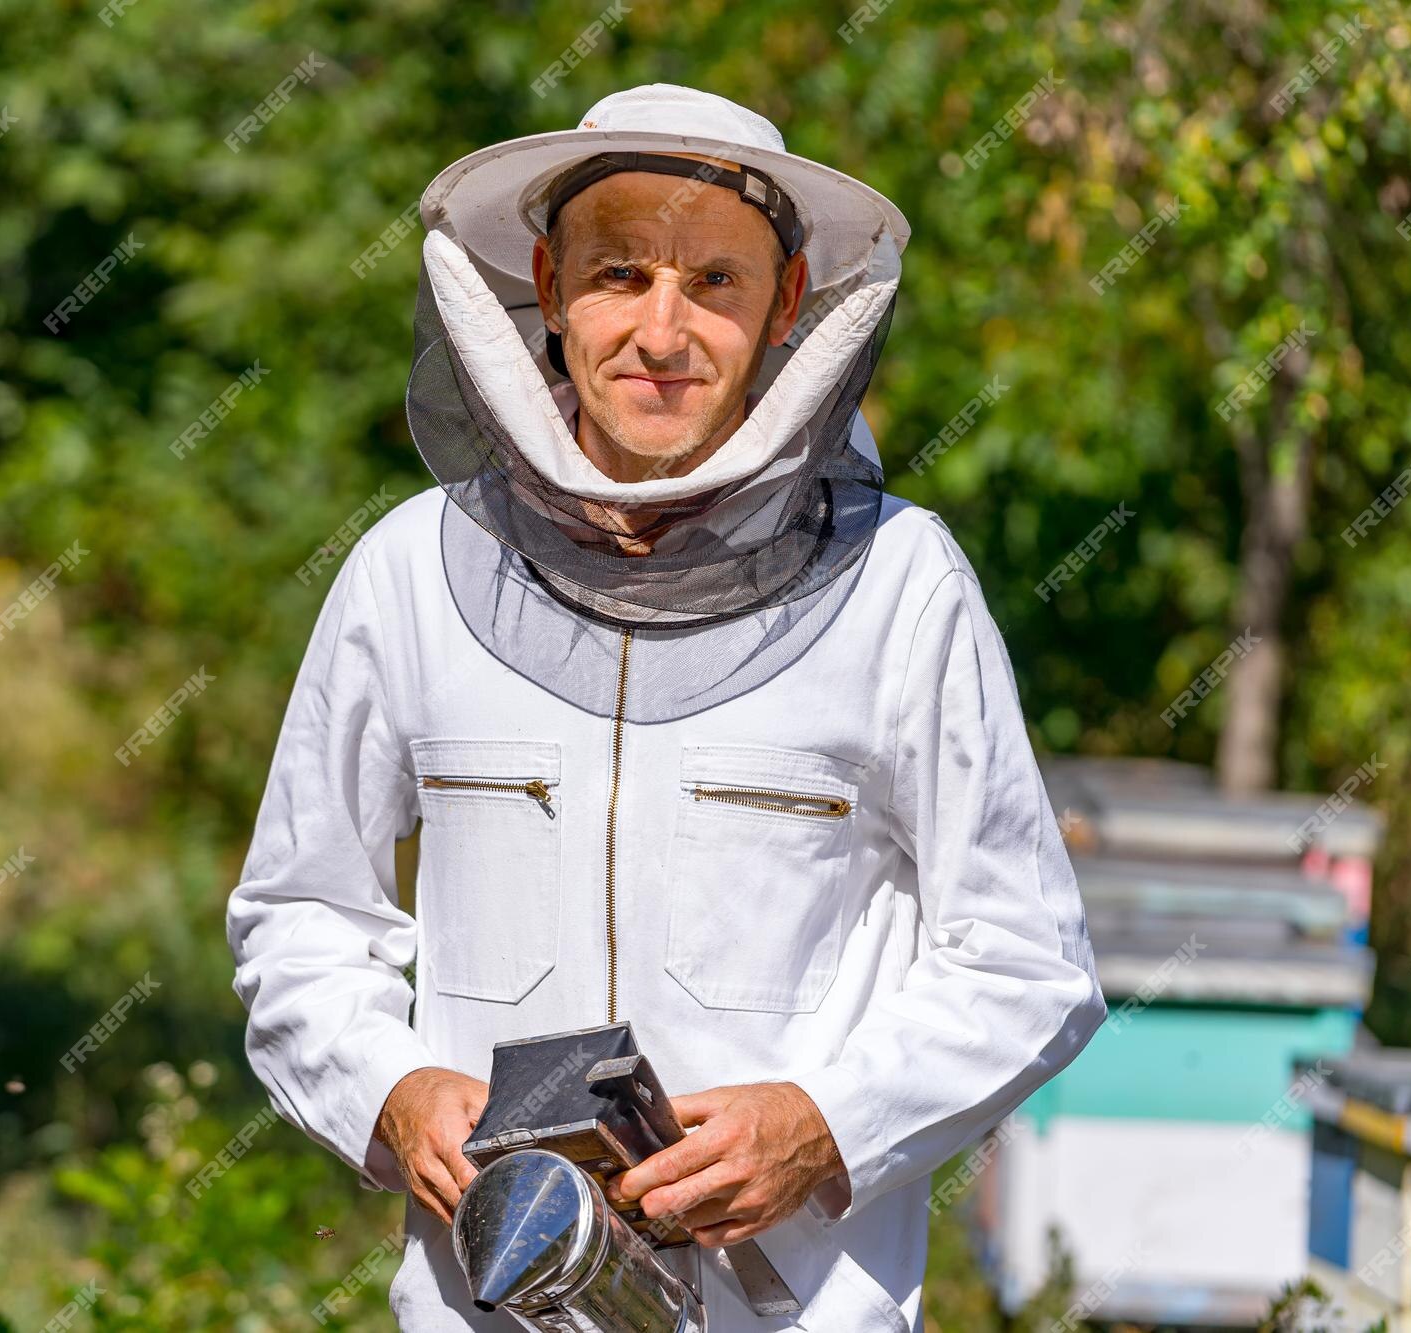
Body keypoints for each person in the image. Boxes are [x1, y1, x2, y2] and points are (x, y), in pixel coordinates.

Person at [226, 82, 1105, 1331]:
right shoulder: (408, 571)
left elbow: (1027, 962)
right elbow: (299, 913)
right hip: (491, 1302)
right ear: (546, 280)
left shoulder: (903, 585)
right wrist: (385, 1086)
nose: (661, 327)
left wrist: (824, 1126)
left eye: (714, 281)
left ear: (787, 306)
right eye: (619, 272)